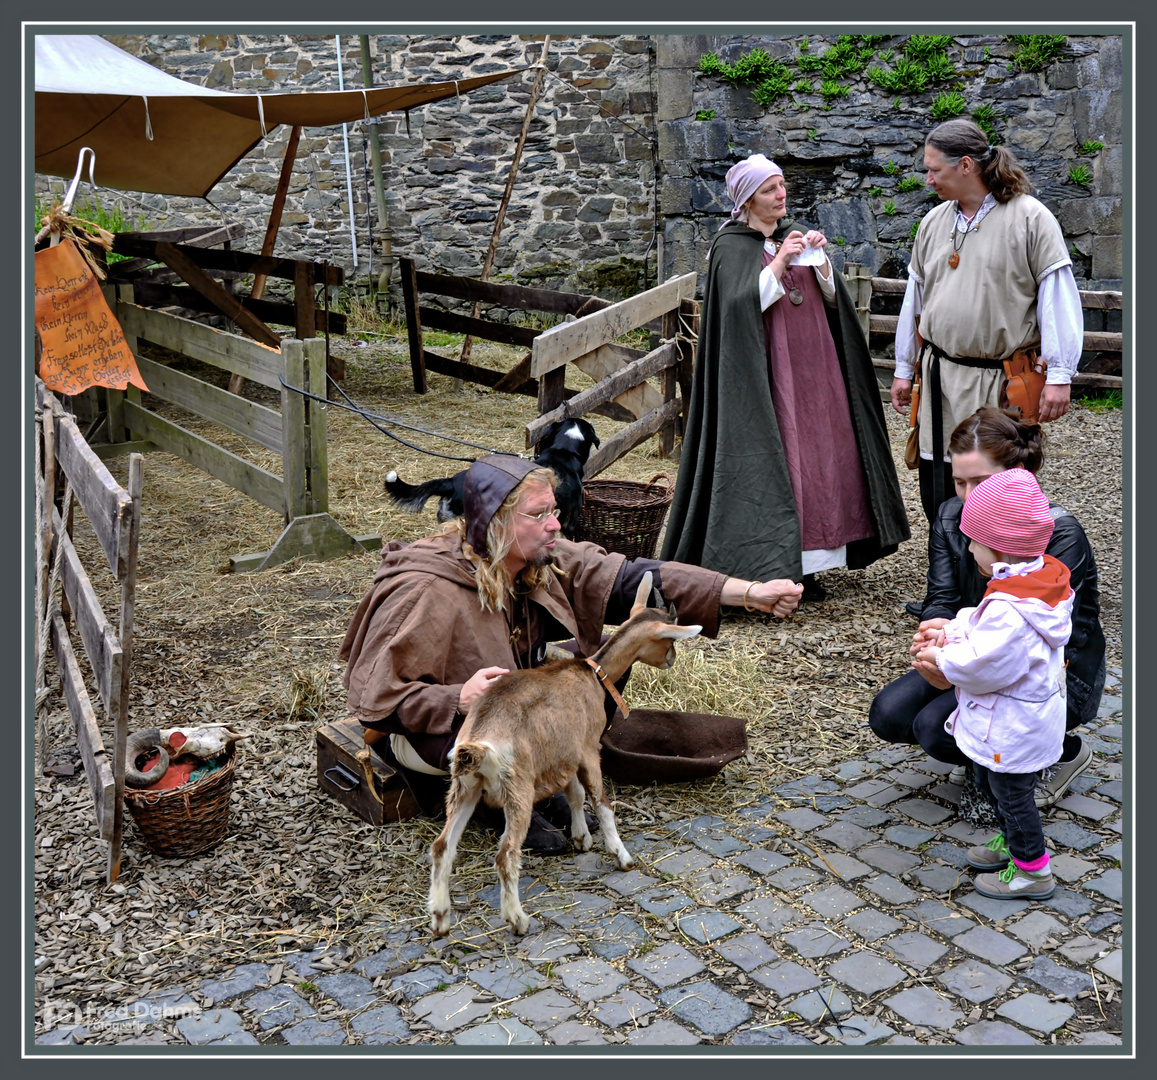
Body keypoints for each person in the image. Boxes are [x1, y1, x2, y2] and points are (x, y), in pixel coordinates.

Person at [339, 454, 804, 853]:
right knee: (492, 727)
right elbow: (377, 701)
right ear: (496, 523)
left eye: (554, 510)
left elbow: (627, 577)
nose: (555, 524)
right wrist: (458, 697)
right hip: (436, 732)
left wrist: (749, 593)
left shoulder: (541, 559)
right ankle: (491, 803)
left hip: (513, 715)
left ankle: (534, 784)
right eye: (539, 514)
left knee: (600, 663)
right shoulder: (426, 589)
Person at [661, 153, 909, 601]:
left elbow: (833, 301)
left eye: (781, 187)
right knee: (782, 462)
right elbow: (737, 309)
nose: (781, 196)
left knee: (818, 462)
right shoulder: (731, 247)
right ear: (747, 200)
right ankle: (778, 568)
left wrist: (821, 260)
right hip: (766, 375)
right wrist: (778, 265)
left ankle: (812, 566)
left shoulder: (793, 235)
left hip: (815, 372)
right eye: (770, 190)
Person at [868, 407, 1105, 809]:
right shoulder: (950, 515)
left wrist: (957, 671)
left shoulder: (1060, 532)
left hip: (1048, 672)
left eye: (981, 481)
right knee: (888, 713)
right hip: (973, 649)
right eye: (960, 482)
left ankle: (1059, 754)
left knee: (933, 727)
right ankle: (979, 748)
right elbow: (941, 596)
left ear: (1019, 474)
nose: (968, 495)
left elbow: (1040, 642)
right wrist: (937, 631)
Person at [890, 119, 1084, 522]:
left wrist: (1061, 374)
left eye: (934, 169)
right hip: (939, 377)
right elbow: (916, 299)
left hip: (999, 382)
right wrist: (905, 368)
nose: (928, 180)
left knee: (996, 494)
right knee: (938, 491)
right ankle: (947, 579)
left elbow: (1057, 299)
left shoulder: (1030, 218)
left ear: (965, 166)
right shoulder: (933, 223)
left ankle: (998, 580)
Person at [914, 467, 1073, 900]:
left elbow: (985, 665)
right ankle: (1014, 845)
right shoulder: (1032, 581)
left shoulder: (1012, 607)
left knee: (1012, 795)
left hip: (1012, 723)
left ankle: (1032, 871)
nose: (968, 549)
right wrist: (956, 628)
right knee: (991, 783)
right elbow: (987, 626)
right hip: (1016, 718)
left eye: (974, 541)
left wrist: (943, 656)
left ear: (998, 547)